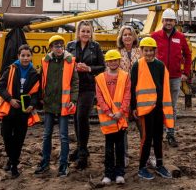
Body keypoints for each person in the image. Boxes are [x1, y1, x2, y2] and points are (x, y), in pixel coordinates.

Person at [35, 35, 79, 177]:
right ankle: (45, 163)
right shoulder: (45, 61)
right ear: (51, 48)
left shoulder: (70, 61)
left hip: (64, 104)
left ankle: (63, 165)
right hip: (49, 103)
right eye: (56, 46)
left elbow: (75, 82)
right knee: (47, 135)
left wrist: (73, 99)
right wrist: (41, 98)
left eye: (61, 46)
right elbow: (42, 80)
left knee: (63, 136)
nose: (59, 49)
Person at [131, 37, 174, 180]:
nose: (148, 53)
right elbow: (132, 88)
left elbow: (164, 88)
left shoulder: (160, 66)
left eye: (151, 50)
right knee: (146, 138)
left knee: (158, 137)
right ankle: (141, 167)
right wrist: (133, 107)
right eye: (146, 50)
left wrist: (163, 107)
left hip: (158, 108)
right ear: (141, 50)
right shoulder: (137, 66)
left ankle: (160, 164)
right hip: (144, 109)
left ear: (155, 51)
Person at [0, 44, 41, 178]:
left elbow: (36, 93)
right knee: (6, 135)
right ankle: (11, 158)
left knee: (19, 139)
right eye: (23, 56)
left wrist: (32, 105)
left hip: (23, 111)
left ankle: (14, 164)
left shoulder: (34, 73)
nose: (26, 58)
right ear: (18, 56)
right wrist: (10, 100)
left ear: (31, 57)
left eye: (28, 56)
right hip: (10, 108)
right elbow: (1, 87)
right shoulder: (10, 70)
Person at [66, 20, 105, 169]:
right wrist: (74, 67)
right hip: (73, 87)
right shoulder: (70, 46)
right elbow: (65, 63)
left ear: (91, 33)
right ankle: (80, 146)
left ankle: (83, 152)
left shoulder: (95, 47)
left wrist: (88, 68)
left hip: (88, 86)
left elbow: (102, 67)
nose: (85, 34)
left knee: (82, 117)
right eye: (83, 31)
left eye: (88, 31)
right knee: (76, 118)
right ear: (78, 32)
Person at [151, 8, 192, 147]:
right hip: (158, 78)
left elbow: (188, 55)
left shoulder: (180, 37)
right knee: (158, 106)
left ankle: (170, 133)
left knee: (172, 107)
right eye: (166, 20)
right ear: (162, 21)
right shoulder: (154, 36)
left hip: (174, 77)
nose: (168, 23)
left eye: (171, 20)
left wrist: (186, 72)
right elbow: (147, 55)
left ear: (175, 22)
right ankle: (158, 133)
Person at [96, 50, 131, 185]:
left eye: (115, 60)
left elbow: (127, 96)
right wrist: (109, 112)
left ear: (119, 61)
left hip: (120, 118)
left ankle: (120, 173)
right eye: (110, 60)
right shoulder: (100, 78)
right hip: (108, 118)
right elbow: (99, 98)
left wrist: (121, 112)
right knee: (109, 147)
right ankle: (108, 174)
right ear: (107, 62)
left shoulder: (125, 76)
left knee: (120, 147)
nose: (113, 62)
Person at [116, 25, 141, 167]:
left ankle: (147, 154)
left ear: (134, 37)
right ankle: (124, 155)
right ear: (121, 37)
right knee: (123, 127)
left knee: (142, 126)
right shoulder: (117, 53)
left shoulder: (140, 52)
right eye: (124, 34)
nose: (127, 37)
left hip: (138, 95)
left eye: (129, 34)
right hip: (123, 95)